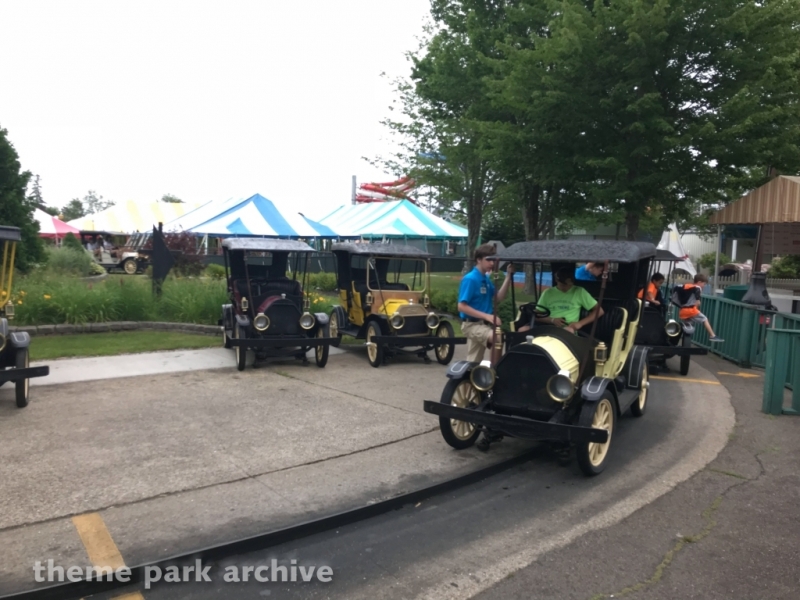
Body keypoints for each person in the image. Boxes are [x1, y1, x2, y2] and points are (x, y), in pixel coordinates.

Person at [457, 243, 515, 363]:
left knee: (473, 362)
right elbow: (461, 306)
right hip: (471, 325)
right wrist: (487, 316)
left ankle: (468, 379)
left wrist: (509, 276)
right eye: (489, 260)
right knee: (497, 337)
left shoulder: (485, 280)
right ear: (478, 260)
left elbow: (499, 297)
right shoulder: (471, 279)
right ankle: (495, 372)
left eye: (493, 260)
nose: (492, 264)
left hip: (482, 325)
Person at [532, 267, 604, 334]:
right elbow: (537, 315)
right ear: (556, 280)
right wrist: (552, 320)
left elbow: (599, 311)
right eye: (563, 284)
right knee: (523, 329)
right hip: (547, 326)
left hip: (568, 328)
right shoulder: (547, 293)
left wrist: (580, 323)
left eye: (569, 285)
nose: (566, 287)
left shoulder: (580, 292)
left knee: (567, 331)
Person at [678, 274, 724, 342]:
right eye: (704, 284)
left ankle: (679, 339)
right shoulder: (697, 288)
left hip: (682, 311)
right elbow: (697, 302)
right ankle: (712, 336)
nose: (704, 286)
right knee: (704, 319)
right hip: (691, 310)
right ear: (699, 282)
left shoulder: (687, 286)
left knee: (687, 326)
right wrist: (698, 304)